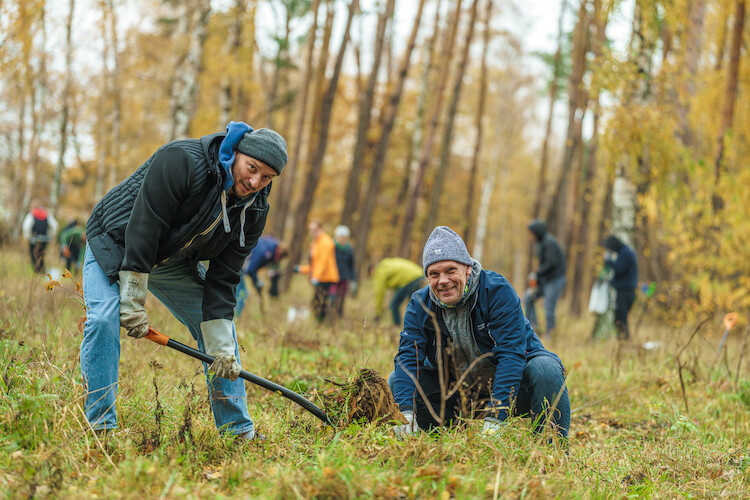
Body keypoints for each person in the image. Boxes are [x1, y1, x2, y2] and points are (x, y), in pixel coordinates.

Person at [81, 121, 287, 441]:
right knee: (104, 317)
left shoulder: (255, 208)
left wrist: (220, 349)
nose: (255, 181)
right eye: (252, 168)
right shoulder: (182, 161)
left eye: (267, 178)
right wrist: (132, 298)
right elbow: (145, 227)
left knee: (221, 338)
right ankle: (101, 427)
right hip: (118, 242)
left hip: (174, 260)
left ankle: (238, 433)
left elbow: (226, 275)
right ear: (235, 152)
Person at [390, 226, 570, 440]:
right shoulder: (420, 303)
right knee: (396, 380)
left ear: (467, 268)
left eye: (450, 270)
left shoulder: (496, 291)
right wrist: (405, 414)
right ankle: (435, 439)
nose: (443, 280)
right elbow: (408, 359)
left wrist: (496, 415)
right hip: (458, 395)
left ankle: (551, 446)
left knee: (545, 369)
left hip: (513, 389)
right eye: (434, 274)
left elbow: (512, 355)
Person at [525, 220, 566, 338]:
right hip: (545, 279)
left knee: (548, 307)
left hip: (555, 279)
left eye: (532, 233)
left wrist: (537, 274)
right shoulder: (540, 243)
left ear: (537, 232)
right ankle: (534, 328)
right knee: (528, 297)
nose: (531, 236)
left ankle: (550, 334)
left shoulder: (549, 242)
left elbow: (551, 263)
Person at [296, 220, 339, 322]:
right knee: (318, 301)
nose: (313, 232)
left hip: (326, 278)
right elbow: (314, 264)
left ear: (321, 229)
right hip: (320, 277)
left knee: (319, 302)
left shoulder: (325, 242)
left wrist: (316, 277)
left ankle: (321, 323)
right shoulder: (315, 243)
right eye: (311, 230)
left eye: (315, 230)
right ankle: (319, 322)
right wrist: (302, 269)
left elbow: (323, 262)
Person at [234, 236, 287, 317]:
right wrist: (257, 282)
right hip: (238, 263)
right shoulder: (266, 251)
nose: (277, 260)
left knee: (238, 292)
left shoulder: (270, 245)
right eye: (279, 258)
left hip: (239, 263)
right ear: (279, 253)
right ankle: (234, 317)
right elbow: (251, 269)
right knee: (242, 293)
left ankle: (232, 316)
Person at [603, 234, 638, 340]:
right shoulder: (626, 252)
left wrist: (608, 260)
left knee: (621, 319)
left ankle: (623, 341)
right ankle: (622, 340)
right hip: (626, 290)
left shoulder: (625, 253)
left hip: (625, 291)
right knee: (621, 317)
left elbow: (619, 269)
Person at [372, 257, 425, 326]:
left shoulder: (379, 271)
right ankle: (419, 326)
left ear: (372, 270)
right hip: (419, 275)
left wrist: (378, 313)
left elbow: (379, 293)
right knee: (414, 304)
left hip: (410, 279)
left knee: (394, 304)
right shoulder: (388, 264)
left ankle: (396, 326)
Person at [22, 203, 59, 274]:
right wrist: (50, 236)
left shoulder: (31, 214)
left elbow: (26, 227)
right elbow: (55, 226)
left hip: (33, 240)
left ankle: (37, 272)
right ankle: (42, 272)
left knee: (34, 256)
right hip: (44, 239)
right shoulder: (47, 215)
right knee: (41, 256)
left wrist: (28, 236)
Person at [331, 225, 356, 318]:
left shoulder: (349, 250)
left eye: (344, 237)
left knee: (341, 298)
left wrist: (353, 280)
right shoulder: (332, 248)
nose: (342, 239)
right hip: (333, 277)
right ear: (336, 237)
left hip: (344, 277)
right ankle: (330, 315)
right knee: (332, 297)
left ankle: (339, 315)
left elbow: (351, 266)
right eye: (340, 237)